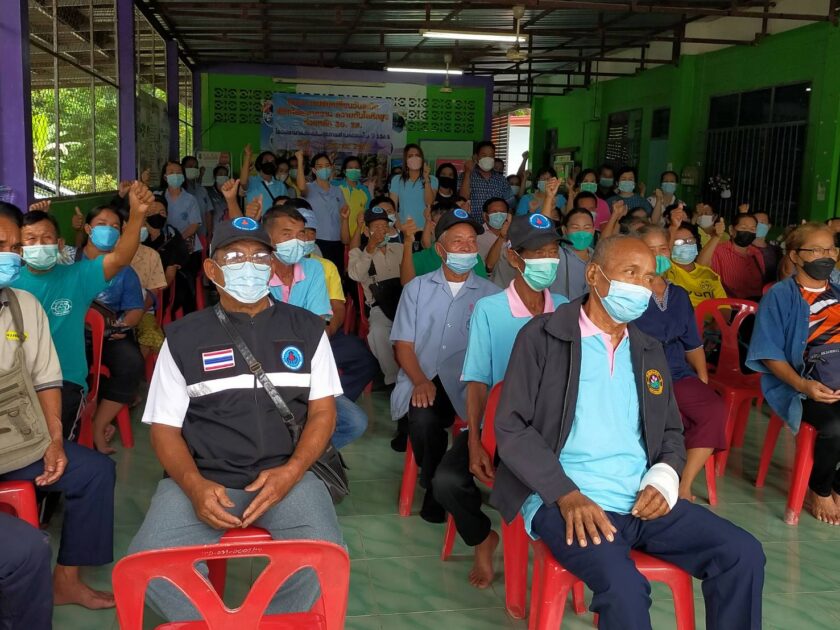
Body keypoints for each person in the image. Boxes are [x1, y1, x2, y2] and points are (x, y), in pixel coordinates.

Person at [492, 234, 765, 629]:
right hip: (565, 499)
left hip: (640, 500)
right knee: (625, 589)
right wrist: (565, 494)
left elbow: (670, 429)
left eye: (648, 277)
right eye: (630, 273)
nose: (641, 286)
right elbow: (511, 426)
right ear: (594, 275)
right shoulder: (543, 337)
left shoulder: (648, 349)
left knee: (742, 553)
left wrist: (664, 476)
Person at [127, 218, 344, 622]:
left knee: (325, 557)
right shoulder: (183, 337)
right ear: (212, 269)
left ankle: (265, 622)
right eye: (235, 257)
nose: (250, 266)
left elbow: (323, 413)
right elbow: (164, 429)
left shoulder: (308, 328)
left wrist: (293, 471)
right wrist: (194, 486)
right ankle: (215, 623)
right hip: (205, 478)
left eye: (260, 257)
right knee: (148, 565)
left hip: (286, 477)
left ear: (272, 265)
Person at [434, 214, 567, 589]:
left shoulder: (565, 308)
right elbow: (477, 381)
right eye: (537, 253)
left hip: (552, 432)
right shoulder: (490, 309)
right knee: (447, 481)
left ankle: (563, 553)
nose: (547, 261)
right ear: (513, 257)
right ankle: (482, 538)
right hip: (499, 428)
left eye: (552, 252)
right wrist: (475, 440)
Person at [0, 202, 117, 611]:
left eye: (14, 248)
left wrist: (53, 439)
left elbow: (47, 378)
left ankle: (66, 581)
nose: (10, 256)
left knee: (96, 472)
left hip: (15, 442)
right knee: (26, 548)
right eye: (1, 245)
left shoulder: (22, 306)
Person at [13, 183, 151, 439]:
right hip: (16, 380)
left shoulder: (79, 276)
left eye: (47, 238)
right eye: (31, 239)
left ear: (59, 244)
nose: (39, 244)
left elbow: (120, 258)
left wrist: (137, 215)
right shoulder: (10, 281)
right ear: (19, 249)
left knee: (55, 446)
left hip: (63, 380)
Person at [390, 209, 500, 521]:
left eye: (471, 241)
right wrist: (420, 380)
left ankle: (439, 487)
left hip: (471, 383)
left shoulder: (491, 295)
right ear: (440, 249)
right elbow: (403, 345)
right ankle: (436, 484)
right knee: (423, 419)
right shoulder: (417, 288)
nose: (467, 247)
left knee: (484, 425)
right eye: (458, 241)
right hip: (424, 374)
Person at [747, 222, 840, 525]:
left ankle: (838, 485)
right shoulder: (780, 296)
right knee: (835, 425)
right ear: (796, 256)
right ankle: (820, 488)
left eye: (830, 249)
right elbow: (769, 353)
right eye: (816, 250)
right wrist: (803, 385)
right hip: (801, 385)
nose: (826, 256)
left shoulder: (838, 292)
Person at [635, 226, 728, 499]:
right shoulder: (631, 293)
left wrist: (702, 377)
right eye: (650, 250)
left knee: (713, 409)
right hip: (642, 372)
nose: (658, 255)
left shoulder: (679, 295)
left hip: (677, 371)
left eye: (662, 249)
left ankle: (682, 484)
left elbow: (693, 343)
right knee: (660, 414)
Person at [293, 201, 379, 404]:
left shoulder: (326, 266)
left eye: (312, 232)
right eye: (303, 232)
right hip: (289, 337)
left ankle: (332, 403)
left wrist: (327, 331)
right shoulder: (274, 265)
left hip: (324, 331)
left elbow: (338, 307)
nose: (307, 237)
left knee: (366, 361)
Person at [76, 206, 146, 453]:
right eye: (102, 224)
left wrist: (123, 325)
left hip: (108, 335)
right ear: (88, 229)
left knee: (131, 363)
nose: (108, 230)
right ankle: (74, 424)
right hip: (71, 335)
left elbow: (135, 309)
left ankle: (99, 424)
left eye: (115, 226)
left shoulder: (125, 270)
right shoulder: (69, 261)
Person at [348, 205, 404, 386]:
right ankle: (393, 378)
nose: (381, 231)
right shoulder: (357, 253)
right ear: (366, 231)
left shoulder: (400, 248)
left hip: (405, 303)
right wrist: (370, 249)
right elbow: (355, 275)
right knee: (378, 332)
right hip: (379, 305)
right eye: (376, 227)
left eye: (384, 226)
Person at [295, 151, 348, 273]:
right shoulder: (309, 188)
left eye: (327, 165)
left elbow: (343, 217)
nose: (324, 169)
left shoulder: (338, 191)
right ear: (314, 170)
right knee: (318, 275)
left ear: (331, 167)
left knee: (335, 275)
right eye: (320, 166)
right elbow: (301, 187)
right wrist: (300, 160)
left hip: (336, 242)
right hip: (316, 242)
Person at [143, 193, 194, 319]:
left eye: (162, 212)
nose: (157, 215)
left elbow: (169, 277)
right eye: (152, 211)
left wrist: (152, 292)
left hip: (165, 288)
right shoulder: (138, 237)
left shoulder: (172, 237)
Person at [665, 221, 727, 308]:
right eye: (678, 242)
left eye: (690, 241)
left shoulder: (710, 275)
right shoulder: (666, 270)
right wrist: (673, 227)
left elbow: (724, 307)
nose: (686, 245)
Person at [160, 161, 203, 275]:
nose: (175, 175)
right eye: (171, 172)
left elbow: (194, 225)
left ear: (183, 176)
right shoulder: (159, 197)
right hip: (164, 247)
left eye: (178, 172)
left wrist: (177, 240)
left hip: (187, 248)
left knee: (185, 281)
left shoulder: (190, 199)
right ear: (165, 177)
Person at [710, 213, 765, 300]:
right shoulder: (719, 251)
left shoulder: (756, 253)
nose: (748, 232)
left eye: (752, 229)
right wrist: (716, 236)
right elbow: (700, 265)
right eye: (743, 228)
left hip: (755, 305)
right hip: (729, 305)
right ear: (731, 230)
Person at [131, 231, 168, 358]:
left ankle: (140, 366)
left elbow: (154, 290)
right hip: (112, 312)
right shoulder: (108, 253)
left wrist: (138, 312)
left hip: (143, 309)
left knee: (150, 333)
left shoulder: (151, 255)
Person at [459, 141, 515, 223]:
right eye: (484, 155)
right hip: (471, 225)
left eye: (491, 156)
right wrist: (468, 173)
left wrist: (506, 224)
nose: (488, 158)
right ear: (476, 157)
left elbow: (510, 205)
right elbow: (462, 200)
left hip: (495, 227)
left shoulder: (501, 180)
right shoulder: (464, 176)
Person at [389, 144, 437, 229]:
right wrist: (400, 227)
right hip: (404, 227)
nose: (414, 158)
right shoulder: (397, 180)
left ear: (422, 159)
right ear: (405, 160)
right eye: (410, 156)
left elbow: (429, 203)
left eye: (417, 155)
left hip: (426, 228)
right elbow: (393, 207)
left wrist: (426, 178)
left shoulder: (432, 179)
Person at [239, 144, 288, 214]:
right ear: (259, 164)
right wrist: (248, 156)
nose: (270, 163)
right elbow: (243, 182)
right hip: (256, 219)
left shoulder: (281, 185)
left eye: (272, 162)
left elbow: (286, 206)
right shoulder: (251, 181)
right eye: (266, 161)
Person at [339, 156, 372, 239]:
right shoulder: (335, 186)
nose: (354, 170)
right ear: (344, 171)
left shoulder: (365, 190)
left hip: (359, 234)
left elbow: (367, 212)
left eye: (357, 168)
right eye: (350, 168)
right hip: (337, 234)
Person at [476, 197, 512, 272]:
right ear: (485, 215)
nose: (499, 215)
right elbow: (489, 267)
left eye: (502, 212)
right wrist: (501, 237)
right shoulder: (477, 236)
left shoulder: (514, 231)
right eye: (494, 212)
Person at [182, 155, 213, 240]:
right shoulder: (180, 189)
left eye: (195, 167)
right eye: (190, 166)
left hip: (202, 234)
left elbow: (208, 212)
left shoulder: (201, 189)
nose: (193, 169)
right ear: (183, 168)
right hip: (184, 236)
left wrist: (209, 232)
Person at [752, 210, 781, 283]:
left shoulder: (776, 251)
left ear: (769, 226)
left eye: (762, 223)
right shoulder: (743, 248)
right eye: (755, 223)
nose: (758, 225)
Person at [205, 164, 232, 232]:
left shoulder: (231, 192)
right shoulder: (208, 192)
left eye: (225, 175)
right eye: (220, 174)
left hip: (228, 229)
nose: (223, 176)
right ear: (215, 176)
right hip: (214, 229)